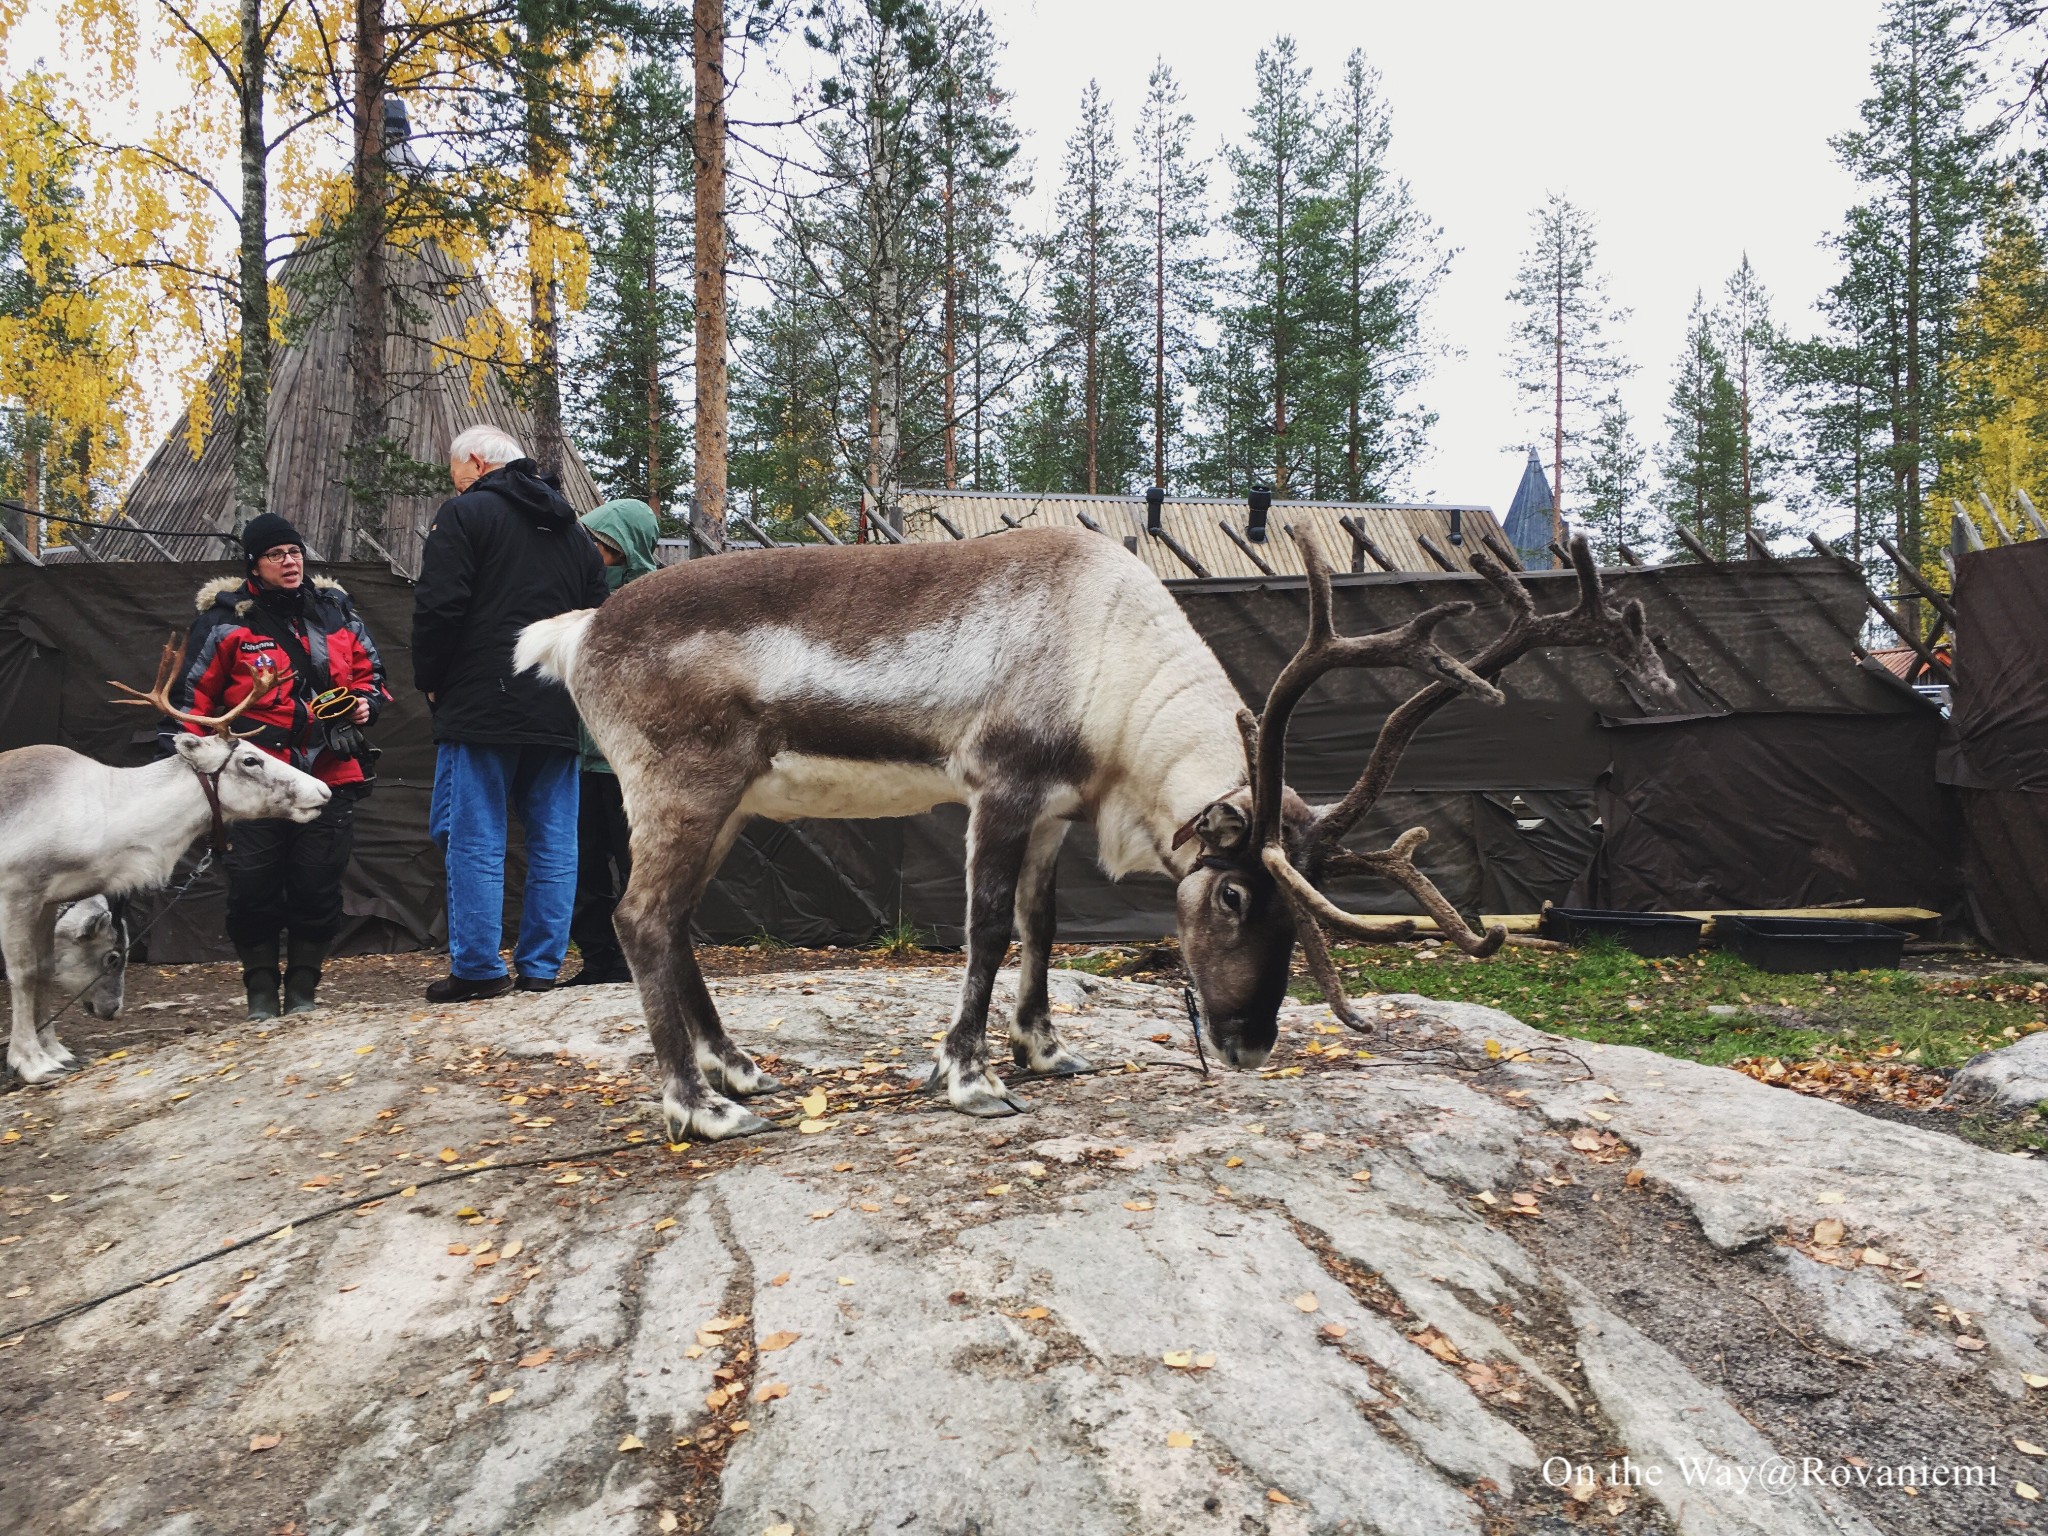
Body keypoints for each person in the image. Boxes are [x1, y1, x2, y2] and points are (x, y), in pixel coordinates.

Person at [413, 424, 607, 1002]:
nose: (458, 485)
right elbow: (595, 623)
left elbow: (439, 606)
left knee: (473, 835)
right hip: (556, 706)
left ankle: (476, 970)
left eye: (458, 474)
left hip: (480, 704)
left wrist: (431, 679)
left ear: (475, 462)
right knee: (555, 841)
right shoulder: (575, 534)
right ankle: (541, 969)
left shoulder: (464, 516)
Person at [168, 512, 388, 1019]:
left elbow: (371, 672)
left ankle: (304, 994)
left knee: (318, 886)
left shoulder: (337, 611)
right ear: (254, 564)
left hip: (329, 771)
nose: (289, 562)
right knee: (253, 890)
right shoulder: (226, 622)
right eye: (275, 554)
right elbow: (193, 701)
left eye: (294, 552)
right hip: (252, 782)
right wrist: (200, 774)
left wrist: (365, 705)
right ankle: (262, 996)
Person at [564, 498, 661, 986]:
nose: (592, 554)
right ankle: (598, 960)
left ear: (627, 548)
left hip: (633, 768)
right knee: (583, 869)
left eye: (602, 546)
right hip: (578, 763)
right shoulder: (575, 595)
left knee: (640, 868)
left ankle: (647, 960)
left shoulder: (655, 604)